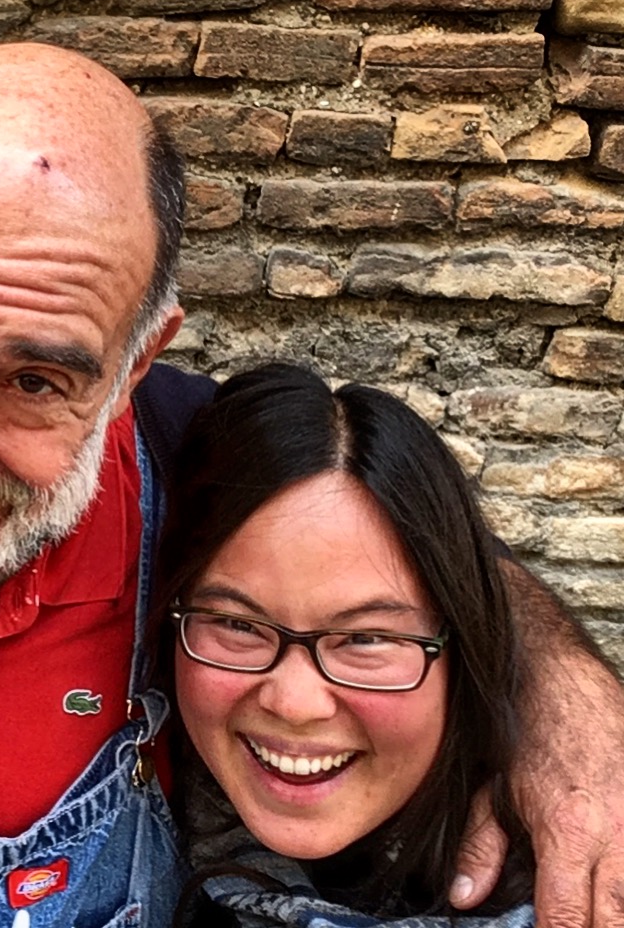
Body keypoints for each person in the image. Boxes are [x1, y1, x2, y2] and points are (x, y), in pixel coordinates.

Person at [0, 42, 624, 928]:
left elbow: (404, 557)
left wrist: (566, 697)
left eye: (34, 382)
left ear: (133, 363)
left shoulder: (195, 474)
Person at [157, 363, 536, 927]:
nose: (295, 703)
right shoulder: (132, 818)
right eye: (237, 625)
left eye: (365, 638)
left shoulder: (579, 882)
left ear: (462, 650)